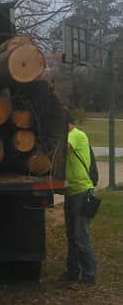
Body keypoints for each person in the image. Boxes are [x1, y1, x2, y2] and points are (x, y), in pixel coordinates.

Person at [59, 116, 97, 286]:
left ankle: (89, 274)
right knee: (71, 235)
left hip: (83, 192)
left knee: (81, 235)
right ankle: (73, 271)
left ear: (67, 123)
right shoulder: (70, 135)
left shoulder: (76, 135)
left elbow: (62, 148)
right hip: (72, 192)